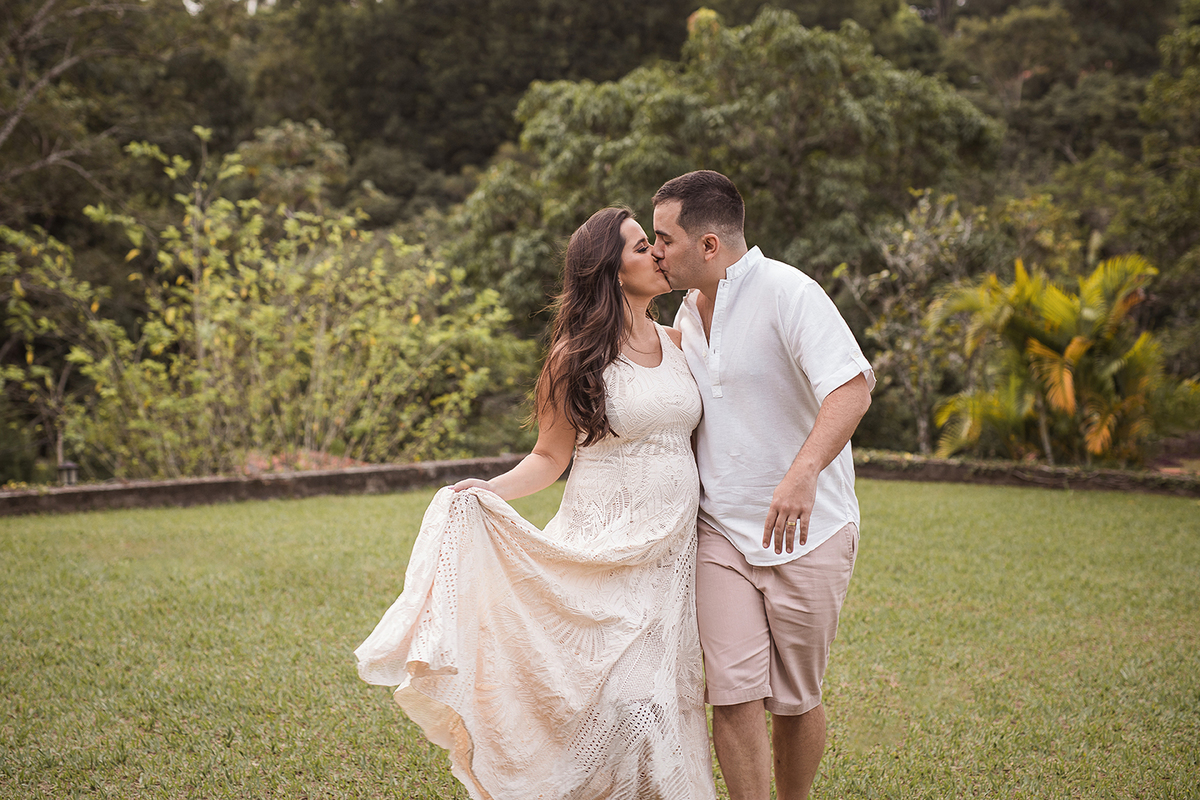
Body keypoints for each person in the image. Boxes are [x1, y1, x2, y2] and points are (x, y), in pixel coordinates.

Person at [355, 206, 717, 800]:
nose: (656, 252)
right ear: (609, 270)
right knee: (618, 696)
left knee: (660, 694)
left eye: (653, 243)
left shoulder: (682, 342)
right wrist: (489, 490)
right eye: (638, 247)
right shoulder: (574, 358)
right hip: (601, 545)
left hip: (670, 550)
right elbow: (550, 458)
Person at [649, 170, 874, 800]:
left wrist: (801, 475)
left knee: (796, 701)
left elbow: (852, 387)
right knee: (732, 694)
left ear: (710, 245)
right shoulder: (688, 312)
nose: (656, 250)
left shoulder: (790, 292)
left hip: (810, 530)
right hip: (719, 532)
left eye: (665, 238)